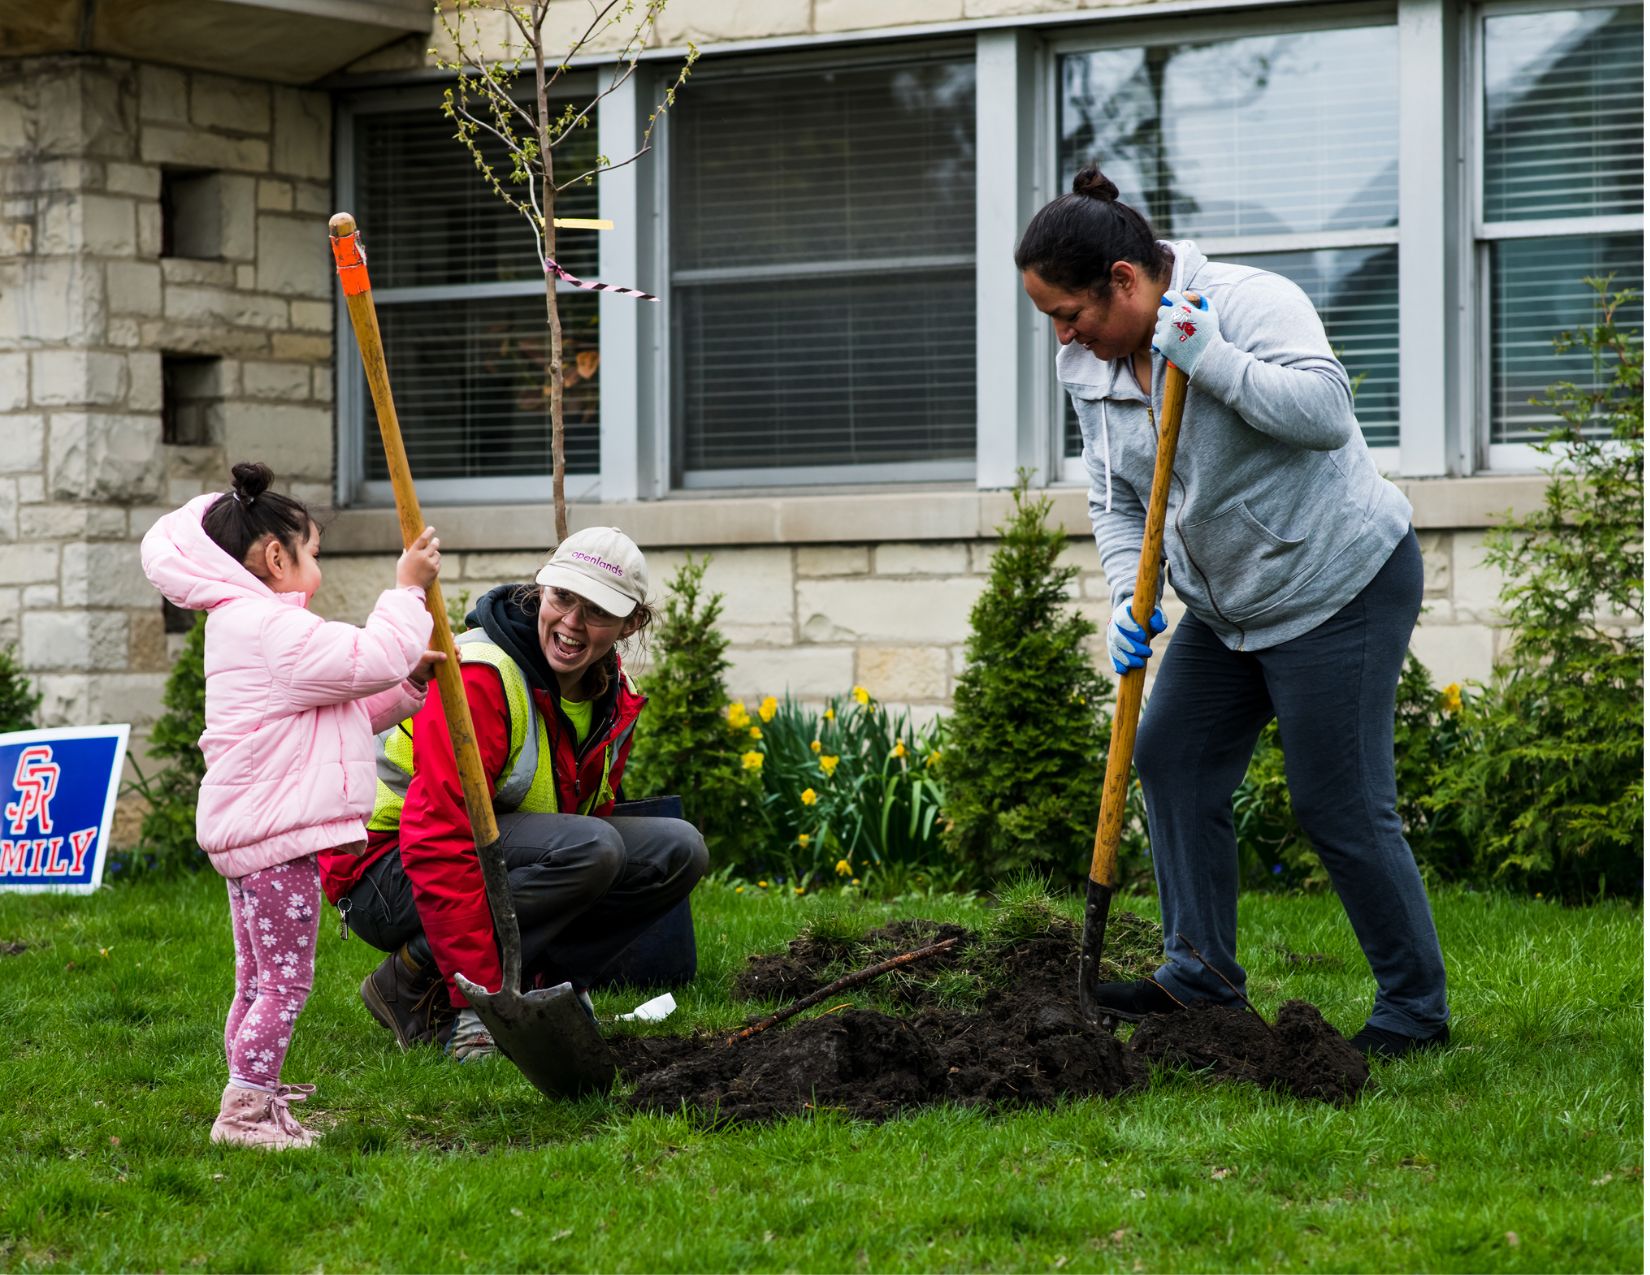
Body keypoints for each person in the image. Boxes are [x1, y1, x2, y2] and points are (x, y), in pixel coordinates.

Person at [1016, 166, 1450, 1059]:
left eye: (1072, 312)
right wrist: (1120, 598)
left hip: (1338, 582)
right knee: (1171, 753)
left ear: (1125, 282)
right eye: (1052, 318)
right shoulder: (1089, 365)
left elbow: (1327, 411)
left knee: (1338, 803)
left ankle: (1414, 1008)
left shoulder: (1251, 302)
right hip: (1228, 603)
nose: (1064, 333)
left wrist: (1208, 356)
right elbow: (1113, 500)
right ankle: (1200, 973)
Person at [321, 526, 710, 1062]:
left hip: (487, 853)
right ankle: (414, 978)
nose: (571, 624)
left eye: (596, 611)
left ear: (631, 623)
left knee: (676, 850)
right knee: (592, 849)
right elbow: (437, 838)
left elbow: (581, 820)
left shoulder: (614, 697)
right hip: (383, 873)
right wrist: (479, 1007)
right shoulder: (482, 675)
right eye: (563, 598)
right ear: (540, 589)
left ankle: (543, 988)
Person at [140, 462, 443, 1148]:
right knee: (284, 983)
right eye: (313, 552)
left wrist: (409, 686)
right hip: (277, 842)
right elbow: (373, 654)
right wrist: (407, 589)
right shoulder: (269, 627)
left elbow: (346, 707)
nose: (319, 567)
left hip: (252, 835)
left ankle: (253, 1095)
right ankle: (244, 1113)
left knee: (255, 979)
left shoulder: (248, 627)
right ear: (276, 556)